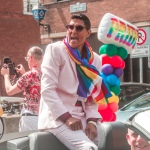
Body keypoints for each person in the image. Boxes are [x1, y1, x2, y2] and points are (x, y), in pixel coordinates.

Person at [38, 14, 111, 150]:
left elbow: (91, 96)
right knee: (89, 148)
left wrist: (92, 121)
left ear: (88, 33)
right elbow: (47, 89)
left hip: (84, 116)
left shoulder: (95, 59)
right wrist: (67, 118)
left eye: (78, 28)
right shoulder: (56, 50)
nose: (73, 31)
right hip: (59, 118)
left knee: (109, 143)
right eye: (70, 27)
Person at [1, 46, 43, 132]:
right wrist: (24, 73)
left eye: (27, 58)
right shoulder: (47, 73)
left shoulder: (28, 76)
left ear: (30, 57)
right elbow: (35, 84)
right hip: (44, 119)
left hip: (30, 119)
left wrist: (6, 75)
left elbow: (9, 91)